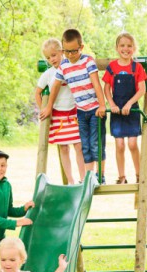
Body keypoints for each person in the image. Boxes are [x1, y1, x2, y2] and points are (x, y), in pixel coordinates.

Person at [39, 29, 108, 183]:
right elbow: (55, 87)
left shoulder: (88, 61)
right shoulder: (64, 67)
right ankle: (89, 178)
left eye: (74, 51)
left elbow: (97, 84)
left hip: (95, 109)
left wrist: (102, 105)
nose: (70, 55)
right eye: (67, 51)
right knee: (85, 147)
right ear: (63, 50)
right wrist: (49, 106)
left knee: (96, 144)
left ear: (81, 48)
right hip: (81, 112)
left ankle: (100, 176)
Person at [35, 38, 86, 185]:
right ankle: (70, 180)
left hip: (74, 113)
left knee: (79, 146)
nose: (52, 59)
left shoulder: (71, 68)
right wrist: (44, 110)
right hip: (58, 115)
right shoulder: (48, 74)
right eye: (48, 57)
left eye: (54, 55)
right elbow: (37, 93)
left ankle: (83, 177)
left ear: (62, 52)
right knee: (63, 148)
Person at [103, 32, 147, 184]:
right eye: (122, 45)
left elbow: (141, 89)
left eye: (129, 46)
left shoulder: (137, 67)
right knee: (120, 145)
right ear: (117, 48)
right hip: (117, 112)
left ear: (134, 48)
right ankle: (122, 177)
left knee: (132, 144)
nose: (125, 49)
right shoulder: (112, 67)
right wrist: (112, 104)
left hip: (132, 110)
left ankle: (139, 174)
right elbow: (106, 88)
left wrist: (129, 104)